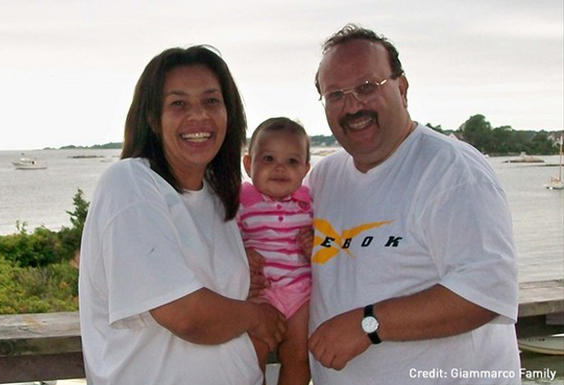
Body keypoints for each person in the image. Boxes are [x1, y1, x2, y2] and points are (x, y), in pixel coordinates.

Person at [306, 24, 520, 384]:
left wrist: (367, 324)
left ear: (401, 87)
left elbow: (487, 292)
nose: (352, 105)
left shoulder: (452, 171)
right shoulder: (324, 177)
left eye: (366, 87)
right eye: (336, 94)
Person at [78, 45, 286, 385]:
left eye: (211, 101)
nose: (199, 117)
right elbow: (186, 315)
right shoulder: (130, 182)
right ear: (152, 118)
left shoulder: (218, 198)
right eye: (178, 104)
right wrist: (255, 317)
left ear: (228, 113)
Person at [238, 117, 312, 385]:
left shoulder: (310, 203)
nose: (280, 168)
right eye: (268, 159)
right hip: (260, 292)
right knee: (252, 353)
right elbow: (223, 239)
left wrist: (315, 246)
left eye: (292, 161)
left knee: (299, 354)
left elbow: (331, 244)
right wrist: (242, 254)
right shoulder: (241, 200)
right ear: (248, 164)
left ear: (305, 169)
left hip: (300, 292)